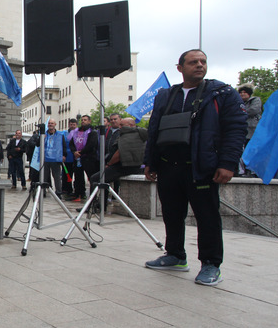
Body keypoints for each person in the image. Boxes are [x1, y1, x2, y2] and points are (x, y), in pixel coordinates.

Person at [143, 49, 248, 286]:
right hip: (169, 166)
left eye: (203, 61)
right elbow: (154, 130)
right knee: (171, 213)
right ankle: (176, 255)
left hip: (201, 167)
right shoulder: (166, 96)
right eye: (193, 62)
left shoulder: (222, 93)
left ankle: (211, 264)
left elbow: (235, 130)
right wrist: (150, 161)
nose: (199, 65)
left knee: (207, 216)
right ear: (180, 68)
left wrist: (227, 163)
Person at [90, 116, 147, 195]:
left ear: (130, 125)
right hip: (134, 165)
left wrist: (109, 164)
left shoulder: (128, 135)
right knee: (104, 181)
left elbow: (119, 153)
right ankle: (101, 203)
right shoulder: (139, 134)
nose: (120, 127)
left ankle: (92, 204)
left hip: (123, 166)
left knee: (95, 179)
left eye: (122, 125)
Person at [69, 115, 99, 202]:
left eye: (85, 120)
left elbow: (91, 144)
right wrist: (74, 151)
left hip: (89, 158)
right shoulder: (76, 132)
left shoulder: (92, 132)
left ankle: (93, 197)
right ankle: (79, 194)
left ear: (89, 121)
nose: (83, 121)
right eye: (82, 120)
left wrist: (80, 153)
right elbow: (71, 143)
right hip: (77, 158)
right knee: (78, 177)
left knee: (91, 177)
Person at [42, 119, 67, 193]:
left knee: (57, 177)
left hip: (56, 159)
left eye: (52, 123)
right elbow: (38, 145)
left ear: (55, 124)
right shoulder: (44, 135)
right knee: (44, 176)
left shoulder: (60, 135)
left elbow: (64, 145)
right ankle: (43, 191)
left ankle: (59, 192)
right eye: (49, 123)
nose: (50, 124)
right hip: (45, 158)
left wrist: (64, 155)